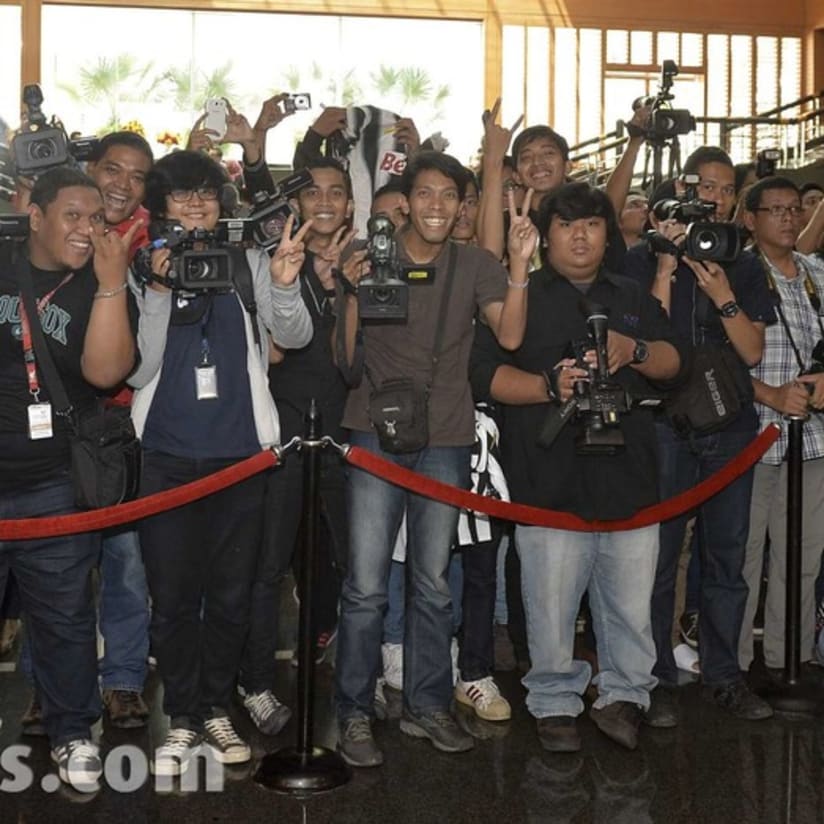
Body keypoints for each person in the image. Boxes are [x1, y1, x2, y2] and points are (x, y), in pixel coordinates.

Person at [333, 150, 534, 767]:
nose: (438, 206)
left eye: (451, 195)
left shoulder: (474, 263)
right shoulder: (375, 255)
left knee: (432, 583)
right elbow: (346, 362)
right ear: (407, 201)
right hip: (372, 430)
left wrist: (520, 267)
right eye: (425, 194)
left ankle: (428, 703)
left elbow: (510, 337)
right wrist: (349, 288)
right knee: (367, 586)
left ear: (464, 203)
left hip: (445, 434)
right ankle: (353, 712)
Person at [471, 181, 686, 753]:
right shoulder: (518, 296)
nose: (580, 235)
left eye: (591, 224)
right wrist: (549, 385)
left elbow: (673, 362)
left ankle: (624, 697)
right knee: (549, 600)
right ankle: (554, 701)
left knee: (629, 600)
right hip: (547, 474)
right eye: (566, 225)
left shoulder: (632, 295)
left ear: (607, 234)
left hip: (630, 474)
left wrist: (630, 350)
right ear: (545, 237)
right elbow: (486, 375)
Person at [128, 150, 312, 777]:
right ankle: (181, 714)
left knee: (232, 594)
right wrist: (156, 287)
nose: (196, 204)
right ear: (162, 206)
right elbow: (138, 368)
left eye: (205, 192)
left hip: (242, 457)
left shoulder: (249, 263)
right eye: (181, 195)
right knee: (174, 597)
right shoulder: (144, 270)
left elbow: (295, 336)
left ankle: (214, 706)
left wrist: (284, 281)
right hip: (168, 458)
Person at [626, 146, 776, 727]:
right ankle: (657, 674)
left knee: (726, 559)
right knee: (657, 559)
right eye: (700, 186)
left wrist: (722, 296)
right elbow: (646, 343)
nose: (709, 197)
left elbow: (753, 350)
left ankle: (723, 676)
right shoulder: (646, 258)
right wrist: (666, 265)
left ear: (733, 198)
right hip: (664, 423)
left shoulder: (740, 261)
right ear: (681, 189)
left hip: (729, 426)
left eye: (720, 189)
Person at [0, 166, 140, 789]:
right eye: (73, 216)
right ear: (36, 216)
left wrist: (111, 286)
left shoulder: (100, 286)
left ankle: (73, 731)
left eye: (96, 220)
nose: (88, 230)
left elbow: (106, 374)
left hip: (53, 480)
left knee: (62, 617)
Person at [238, 157, 360, 736]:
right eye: (314, 192)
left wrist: (350, 285)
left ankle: (344, 668)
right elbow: (276, 349)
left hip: (348, 435)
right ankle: (256, 681)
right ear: (296, 204)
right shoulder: (271, 263)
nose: (326, 201)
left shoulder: (369, 264)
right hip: (283, 433)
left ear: (353, 204)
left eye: (338, 191)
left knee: (348, 560)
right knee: (268, 565)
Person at [737, 176, 824, 672]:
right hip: (752, 438)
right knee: (744, 559)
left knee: (804, 556)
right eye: (776, 210)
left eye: (795, 209)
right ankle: (737, 667)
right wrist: (770, 394)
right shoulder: (738, 273)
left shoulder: (815, 273)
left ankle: (792, 658)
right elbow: (721, 362)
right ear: (750, 220)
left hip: (811, 438)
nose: (789, 218)